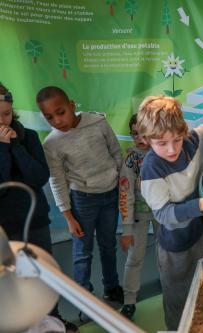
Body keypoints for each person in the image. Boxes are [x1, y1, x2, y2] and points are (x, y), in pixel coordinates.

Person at [137, 95, 203, 330]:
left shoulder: (192, 141)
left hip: (201, 233)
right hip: (175, 246)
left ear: (184, 132)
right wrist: (202, 204)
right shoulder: (151, 169)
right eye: (161, 143)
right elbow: (163, 215)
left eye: (177, 140)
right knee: (178, 299)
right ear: (146, 140)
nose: (171, 149)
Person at [38, 86, 124, 321]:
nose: (57, 120)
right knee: (82, 253)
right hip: (82, 201)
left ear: (72, 105)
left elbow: (116, 151)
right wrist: (68, 216)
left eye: (61, 112)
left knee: (108, 245)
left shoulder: (97, 122)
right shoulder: (52, 144)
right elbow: (57, 181)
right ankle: (84, 300)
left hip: (109, 194)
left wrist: (116, 177)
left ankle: (112, 287)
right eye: (49, 117)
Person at [0, 83, 78, 331]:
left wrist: (15, 146)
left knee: (45, 274)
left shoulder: (29, 136)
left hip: (34, 221)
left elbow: (38, 177)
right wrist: (2, 148)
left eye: (6, 114)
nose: (3, 120)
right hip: (4, 227)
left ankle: (52, 320)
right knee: (10, 281)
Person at [119, 114, 159, 319]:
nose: (140, 139)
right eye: (135, 134)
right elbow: (126, 193)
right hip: (139, 214)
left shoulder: (162, 152)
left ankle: (170, 287)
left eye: (144, 134)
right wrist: (126, 228)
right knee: (135, 257)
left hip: (163, 212)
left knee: (168, 253)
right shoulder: (131, 158)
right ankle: (129, 300)